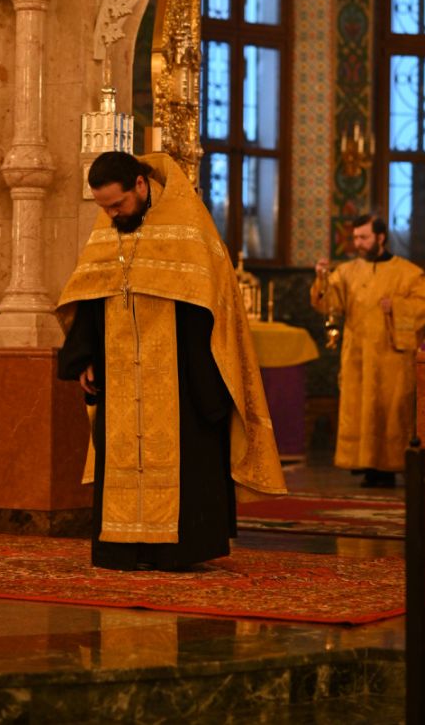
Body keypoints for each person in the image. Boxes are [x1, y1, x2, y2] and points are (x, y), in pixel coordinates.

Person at [57, 151, 286, 571]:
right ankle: (123, 548)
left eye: (117, 204)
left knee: (186, 459)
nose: (111, 215)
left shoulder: (189, 223)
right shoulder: (109, 227)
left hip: (183, 372)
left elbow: (215, 303)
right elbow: (91, 293)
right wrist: (85, 355)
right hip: (119, 373)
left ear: (140, 185)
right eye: (104, 208)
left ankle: (176, 550)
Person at [311, 214, 425, 488]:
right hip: (357, 356)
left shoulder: (410, 273)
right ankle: (365, 465)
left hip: (392, 359)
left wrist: (397, 306)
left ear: (380, 237)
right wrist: (322, 277)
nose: (358, 243)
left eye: (364, 237)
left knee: (390, 413)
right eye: (355, 238)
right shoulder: (347, 272)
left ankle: (388, 468)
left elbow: (424, 307)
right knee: (360, 410)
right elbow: (328, 305)